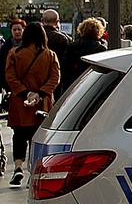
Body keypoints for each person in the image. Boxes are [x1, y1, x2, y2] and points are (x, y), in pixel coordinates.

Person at [6, 22, 60, 187]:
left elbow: (10, 77)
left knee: (19, 136)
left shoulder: (14, 53)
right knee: (38, 138)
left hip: (20, 102)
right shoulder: (50, 55)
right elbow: (55, 78)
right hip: (42, 103)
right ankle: (34, 172)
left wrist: (25, 93)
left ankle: (18, 167)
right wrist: (41, 93)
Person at [59, 18, 108, 88]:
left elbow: (65, 68)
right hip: (93, 83)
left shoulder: (72, 47)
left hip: (73, 82)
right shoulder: (101, 49)